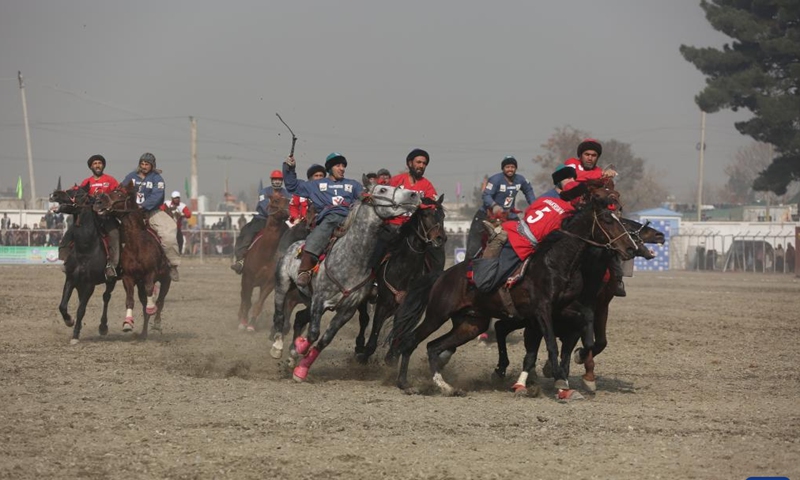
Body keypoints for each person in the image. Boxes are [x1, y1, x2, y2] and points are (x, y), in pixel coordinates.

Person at [472, 173, 584, 293]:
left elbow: (529, 211)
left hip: (512, 227)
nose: (583, 200)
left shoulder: (546, 199)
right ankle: (494, 246)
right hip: (520, 244)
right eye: (582, 196)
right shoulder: (569, 214)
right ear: (576, 197)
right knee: (485, 284)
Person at [283, 152, 364, 287]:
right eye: (338, 165)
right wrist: (289, 168)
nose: (342, 168)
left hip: (350, 218)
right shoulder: (316, 185)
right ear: (330, 168)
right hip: (329, 219)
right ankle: (305, 270)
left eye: (343, 166)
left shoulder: (353, 184)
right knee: (324, 227)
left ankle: (373, 278)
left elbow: (362, 196)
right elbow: (292, 186)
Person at [564, 139, 625, 295]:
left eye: (594, 155)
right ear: (580, 155)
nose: (590, 157)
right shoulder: (572, 164)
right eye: (587, 154)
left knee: (618, 239)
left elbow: (610, 199)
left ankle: (616, 279)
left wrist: (607, 182)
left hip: (593, 218)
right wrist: (602, 176)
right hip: (569, 211)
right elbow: (577, 177)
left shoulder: (603, 175)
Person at [58, 154, 121, 279]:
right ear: (91, 167)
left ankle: (112, 266)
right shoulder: (87, 182)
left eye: (99, 163)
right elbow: (77, 193)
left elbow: (117, 195)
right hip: (90, 218)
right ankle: (66, 259)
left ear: (103, 165)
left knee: (114, 234)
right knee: (71, 231)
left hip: (106, 217)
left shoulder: (111, 180)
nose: (97, 165)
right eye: (95, 163)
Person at [121, 153, 181, 281]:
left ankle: (172, 265)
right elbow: (121, 190)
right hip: (131, 214)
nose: (144, 166)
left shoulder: (157, 179)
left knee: (169, 233)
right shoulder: (131, 177)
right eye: (142, 164)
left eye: (146, 164)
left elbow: (157, 196)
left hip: (152, 212)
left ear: (152, 165)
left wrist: (143, 207)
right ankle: (114, 264)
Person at [465, 155, 535, 260]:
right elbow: (486, 195)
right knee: (474, 246)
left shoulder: (521, 180)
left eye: (512, 167)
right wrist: (494, 206)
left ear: (515, 168)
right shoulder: (495, 179)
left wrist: (534, 205)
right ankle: (468, 267)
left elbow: (529, 191)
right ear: (503, 169)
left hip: (508, 215)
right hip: (487, 215)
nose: (510, 169)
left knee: (521, 235)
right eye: (507, 167)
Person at [386, 148, 444, 271]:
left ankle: (436, 279)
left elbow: (432, 206)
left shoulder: (427, 185)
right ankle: (372, 280)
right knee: (377, 249)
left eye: (424, 164)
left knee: (437, 252)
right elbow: (385, 200)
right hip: (394, 226)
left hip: (417, 229)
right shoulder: (396, 180)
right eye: (418, 162)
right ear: (409, 163)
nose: (421, 166)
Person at [230, 169, 292, 273]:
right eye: (275, 179)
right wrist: (277, 212)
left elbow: (289, 207)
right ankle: (240, 260)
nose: (277, 181)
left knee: (290, 237)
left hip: (279, 222)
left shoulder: (287, 194)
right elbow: (264, 207)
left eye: (279, 179)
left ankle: (288, 263)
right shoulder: (264, 192)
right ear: (271, 180)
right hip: (261, 220)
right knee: (247, 235)